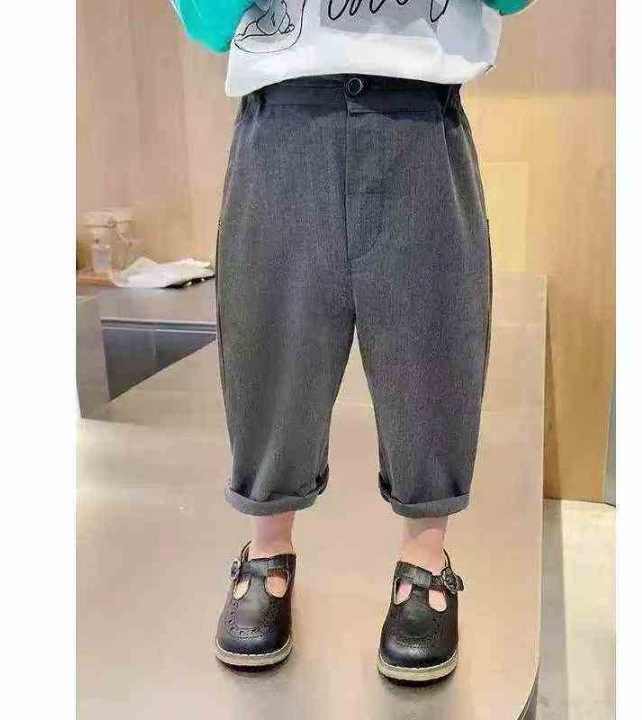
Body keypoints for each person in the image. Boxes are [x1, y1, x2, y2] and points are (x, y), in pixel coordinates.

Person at [171, 0, 532, 683]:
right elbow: (207, 21)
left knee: (432, 340)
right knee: (270, 339)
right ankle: (267, 550)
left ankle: (425, 557)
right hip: (283, 111)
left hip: (419, 113)